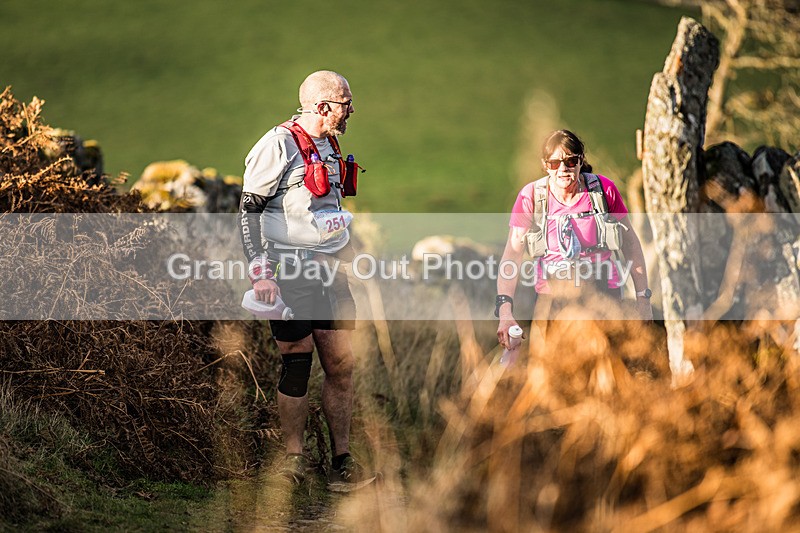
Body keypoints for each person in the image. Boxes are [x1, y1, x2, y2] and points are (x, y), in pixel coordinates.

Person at [238, 70, 373, 492]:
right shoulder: (276, 144)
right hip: (289, 270)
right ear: (323, 106)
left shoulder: (331, 144)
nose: (351, 110)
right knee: (297, 360)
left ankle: (342, 462)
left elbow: (327, 210)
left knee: (341, 364)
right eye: (345, 103)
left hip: (331, 270)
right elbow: (248, 211)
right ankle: (293, 461)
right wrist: (260, 271)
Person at [496, 129, 653, 349]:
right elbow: (512, 255)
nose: (562, 169)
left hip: (604, 294)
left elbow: (631, 244)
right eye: (554, 163)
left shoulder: (602, 191)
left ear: (580, 161)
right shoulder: (530, 197)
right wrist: (505, 312)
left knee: (607, 364)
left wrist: (643, 300)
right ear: (545, 165)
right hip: (552, 298)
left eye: (570, 161)